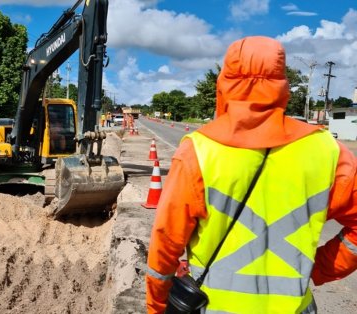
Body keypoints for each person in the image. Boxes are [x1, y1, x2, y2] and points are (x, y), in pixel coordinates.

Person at [146, 36, 357, 313]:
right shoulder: (327, 150)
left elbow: (165, 244)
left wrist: (155, 307)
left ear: (224, 84)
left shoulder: (198, 150)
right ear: (283, 85)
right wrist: (316, 269)